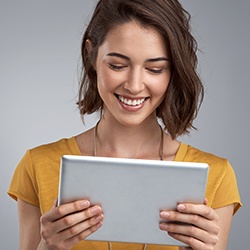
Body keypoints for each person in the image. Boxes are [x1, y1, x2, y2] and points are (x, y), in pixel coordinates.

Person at [8, 0, 241, 249]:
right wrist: (48, 247)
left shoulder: (216, 175)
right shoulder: (37, 165)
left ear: (173, 71)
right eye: (117, 65)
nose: (134, 85)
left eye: (155, 69)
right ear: (91, 55)